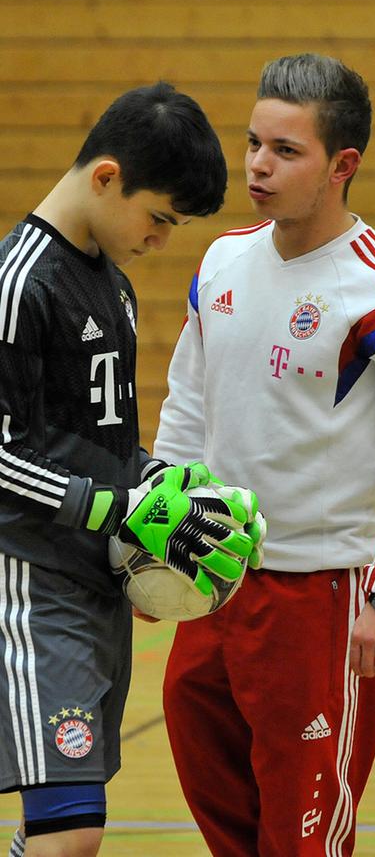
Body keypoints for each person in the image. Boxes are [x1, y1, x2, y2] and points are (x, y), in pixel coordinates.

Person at [154, 54, 375, 856]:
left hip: (320, 599)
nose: (257, 165)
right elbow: (188, 403)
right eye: (254, 142)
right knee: (220, 806)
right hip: (213, 583)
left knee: (301, 833)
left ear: (341, 165)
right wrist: (157, 541)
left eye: (285, 151)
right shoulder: (222, 258)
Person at [0, 81, 261, 857]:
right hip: (33, 579)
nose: (160, 242)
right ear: (107, 177)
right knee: (71, 834)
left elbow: (104, 439)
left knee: (59, 829)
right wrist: (108, 508)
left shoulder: (112, 285)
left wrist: (168, 497)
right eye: (159, 220)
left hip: (96, 586)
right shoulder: (21, 286)